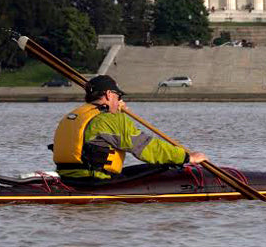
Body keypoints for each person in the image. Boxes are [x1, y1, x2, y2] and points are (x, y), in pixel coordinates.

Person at [52, 74, 206, 182]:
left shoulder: (73, 115)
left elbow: (101, 131)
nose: (120, 100)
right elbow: (145, 147)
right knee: (163, 166)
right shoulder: (110, 119)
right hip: (96, 180)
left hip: (68, 177)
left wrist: (115, 111)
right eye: (118, 96)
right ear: (108, 94)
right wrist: (186, 157)